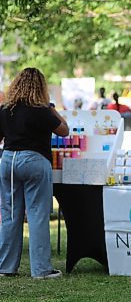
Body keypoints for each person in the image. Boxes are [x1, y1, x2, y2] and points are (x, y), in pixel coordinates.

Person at [0, 67, 69, 279]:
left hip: (9, 160)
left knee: (10, 216)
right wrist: (52, 108)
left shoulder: (5, 110)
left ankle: (5, 267)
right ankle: (40, 270)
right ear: (41, 87)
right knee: (37, 214)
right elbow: (64, 131)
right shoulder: (42, 111)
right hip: (35, 161)